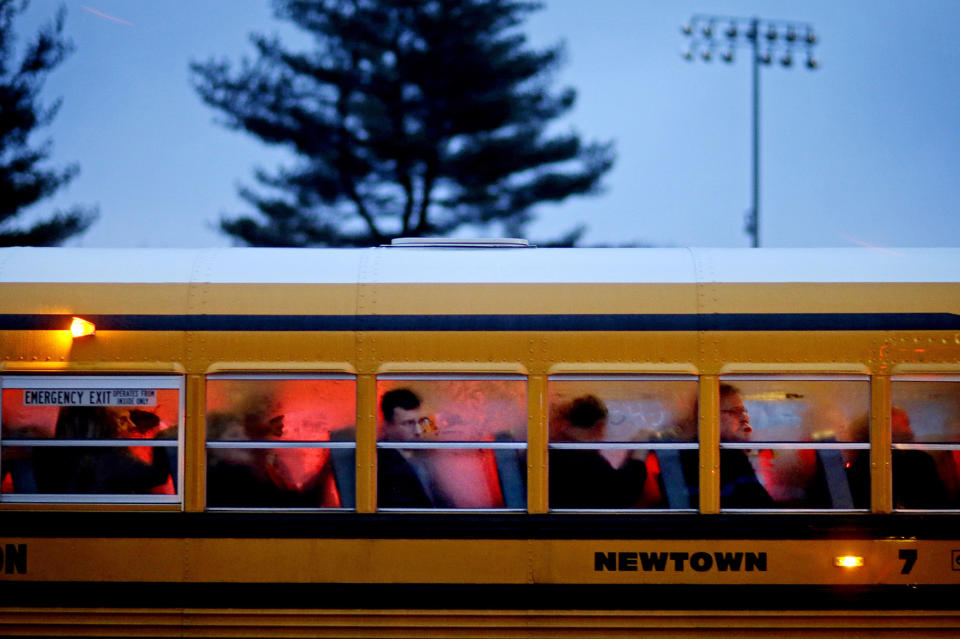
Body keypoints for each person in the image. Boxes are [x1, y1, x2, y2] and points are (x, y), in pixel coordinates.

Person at [34, 406, 172, 494]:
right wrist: (163, 439)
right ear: (104, 424)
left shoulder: (47, 455)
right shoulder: (112, 458)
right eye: (122, 421)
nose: (132, 425)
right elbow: (156, 477)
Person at [549, 395, 647, 509]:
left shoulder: (552, 450)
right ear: (599, 426)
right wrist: (640, 451)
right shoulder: (585, 460)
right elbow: (621, 495)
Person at [847, 407, 947, 509]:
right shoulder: (862, 462)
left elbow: (937, 503)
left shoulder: (921, 460)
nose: (911, 430)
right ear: (884, 427)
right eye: (905, 423)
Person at [377, 388, 438, 508]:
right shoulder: (381, 462)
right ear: (387, 426)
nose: (417, 431)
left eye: (421, 422)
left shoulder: (427, 452)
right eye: (408, 423)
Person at [718, 384, 775, 508]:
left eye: (744, 411)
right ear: (712, 417)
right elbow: (764, 511)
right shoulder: (730, 458)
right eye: (735, 412)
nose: (745, 418)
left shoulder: (733, 455)